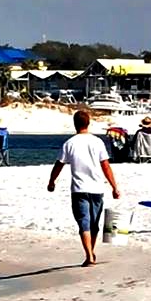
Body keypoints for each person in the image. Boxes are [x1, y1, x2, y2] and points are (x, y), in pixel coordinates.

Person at [47, 109, 121, 266]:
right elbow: (106, 166)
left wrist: (52, 181)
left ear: (75, 124)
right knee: (93, 224)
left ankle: (89, 255)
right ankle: (90, 254)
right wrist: (114, 187)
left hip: (79, 189)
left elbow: (59, 165)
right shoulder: (97, 142)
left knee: (84, 223)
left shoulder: (69, 143)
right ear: (89, 123)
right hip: (97, 189)